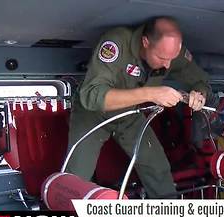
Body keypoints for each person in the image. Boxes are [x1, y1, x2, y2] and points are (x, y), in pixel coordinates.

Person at [66, 16, 211, 198]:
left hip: (129, 114)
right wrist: (151, 93)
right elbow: (91, 96)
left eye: (172, 58)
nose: (168, 64)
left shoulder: (171, 53)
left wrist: (199, 94)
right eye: (162, 58)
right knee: (76, 175)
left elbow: (201, 80)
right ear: (145, 42)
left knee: (157, 168)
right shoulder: (117, 43)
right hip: (93, 114)